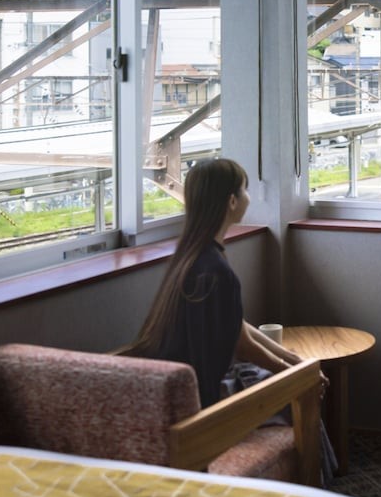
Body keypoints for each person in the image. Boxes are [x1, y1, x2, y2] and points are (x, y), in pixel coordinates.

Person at [121, 157, 308, 408]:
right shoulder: (217, 272)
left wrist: (292, 360)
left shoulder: (189, 256)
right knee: (301, 402)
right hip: (203, 398)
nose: (248, 197)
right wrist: (298, 376)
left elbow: (237, 327)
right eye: (245, 190)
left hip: (173, 389)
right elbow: (243, 347)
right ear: (232, 201)